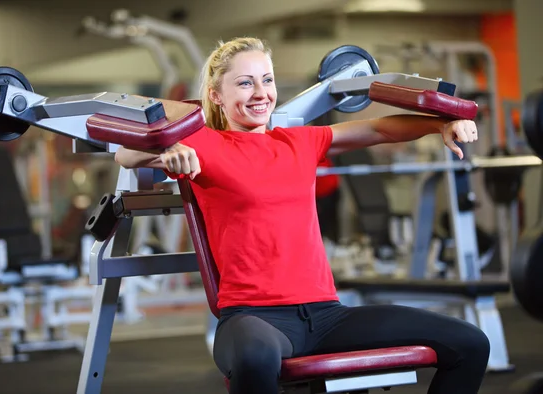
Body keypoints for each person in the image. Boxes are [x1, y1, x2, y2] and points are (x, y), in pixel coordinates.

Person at [115, 37, 490, 394]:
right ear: (217, 95)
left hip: (328, 316)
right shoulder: (206, 142)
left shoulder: (299, 141)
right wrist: (168, 151)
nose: (260, 93)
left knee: (470, 343)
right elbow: (125, 154)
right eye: (245, 83)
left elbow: (378, 129)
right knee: (255, 358)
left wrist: (440, 125)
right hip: (254, 318)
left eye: (267, 80)